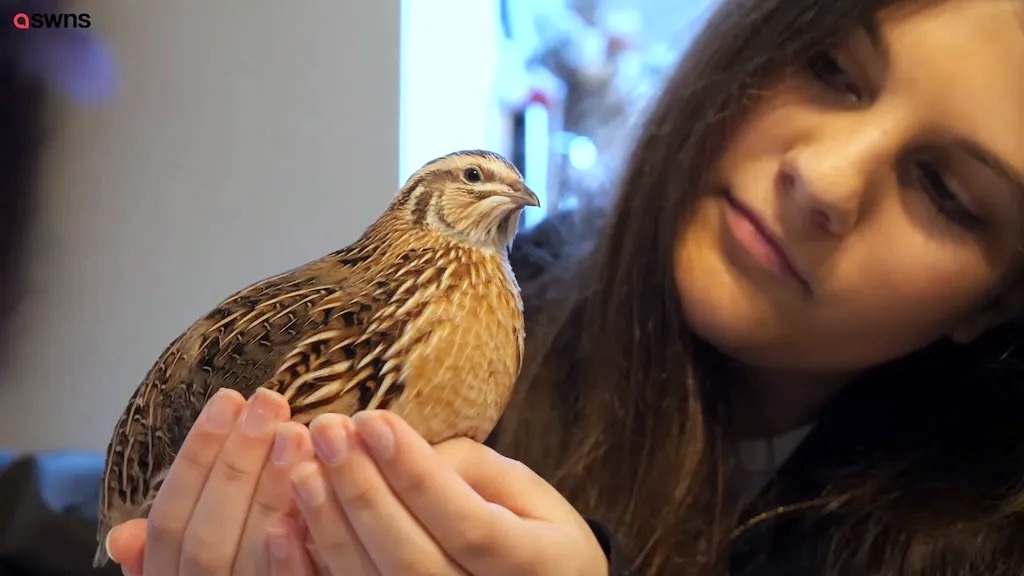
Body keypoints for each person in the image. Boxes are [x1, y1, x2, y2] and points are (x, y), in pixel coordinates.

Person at [27, 0, 1024, 574]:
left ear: (1000, 301)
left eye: (945, 190)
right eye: (829, 68)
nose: (825, 177)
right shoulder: (425, 318)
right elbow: (72, 513)